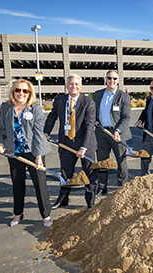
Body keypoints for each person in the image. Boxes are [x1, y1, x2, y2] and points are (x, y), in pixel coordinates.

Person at [0, 79, 53, 227]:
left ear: (29, 93)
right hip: (14, 153)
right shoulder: (6, 107)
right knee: (17, 183)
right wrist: (1, 144)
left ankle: (46, 215)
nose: (21, 93)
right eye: (18, 90)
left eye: (25, 91)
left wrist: (39, 157)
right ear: (13, 92)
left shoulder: (35, 108)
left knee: (40, 184)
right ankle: (18, 213)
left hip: (34, 152)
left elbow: (39, 133)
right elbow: (1, 129)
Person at [44, 74, 98, 209]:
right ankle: (63, 200)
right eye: (71, 84)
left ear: (81, 86)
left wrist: (83, 147)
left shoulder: (88, 103)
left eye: (76, 84)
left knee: (89, 174)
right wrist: (46, 132)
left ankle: (90, 202)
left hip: (86, 145)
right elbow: (52, 117)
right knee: (65, 174)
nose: (74, 86)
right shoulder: (59, 100)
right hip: (66, 143)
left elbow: (90, 126)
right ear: (67, 85)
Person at [93, 70, 132, 196]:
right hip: (101, 132)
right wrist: (94, 120)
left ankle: (122, 188)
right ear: (105, 79)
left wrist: (118, 130)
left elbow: (126, 117)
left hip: (118, 134)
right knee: (102, 162)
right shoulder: (98, 94)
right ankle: (102, 187)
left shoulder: (123, 96)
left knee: (121, 162)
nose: (112, 81)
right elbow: (93, 111)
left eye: (114, 78)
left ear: (118, 80)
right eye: (109, 78)